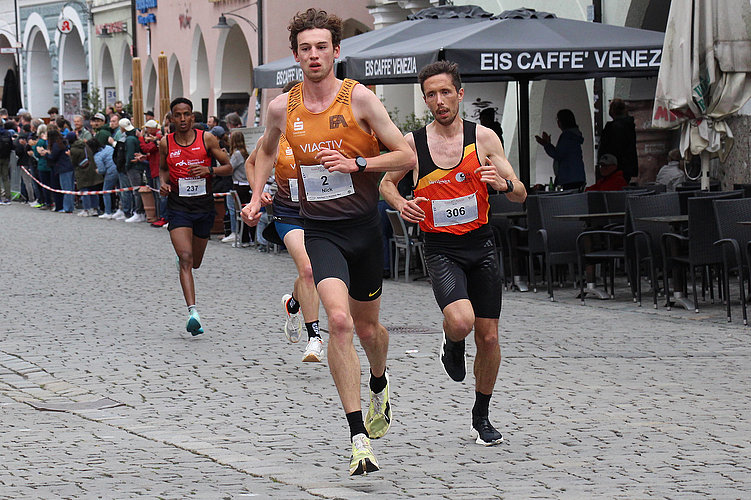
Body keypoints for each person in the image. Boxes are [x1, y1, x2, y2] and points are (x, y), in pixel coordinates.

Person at [241, 8, 415, 476]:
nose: (314, 55)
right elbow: (264, 152)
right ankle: (358, 438)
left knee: (368, 330)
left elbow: (405, 154)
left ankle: (379, 382)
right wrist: (256, 197)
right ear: (295, 55)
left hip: (364, 228)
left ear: (336, 51)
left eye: (322, 47)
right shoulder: (282, 108)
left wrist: (357, 165)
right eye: (305, 48)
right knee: (338, 321)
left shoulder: (359, 99)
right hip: (320, 230)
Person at [380, 60, 526, 448]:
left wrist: (503, 183)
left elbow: (520, 192)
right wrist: (401, 203)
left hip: (482, 245)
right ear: (425, 99)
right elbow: (386, 184)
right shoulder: (413, 145)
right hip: (442, 248)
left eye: (446, 92)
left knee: (489, 337)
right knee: (461, 322)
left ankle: (482, 416)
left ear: (459, 94)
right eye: (431, 94)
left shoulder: (484, 138)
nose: (439, 101)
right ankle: (451, 340)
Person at [160, 97, 232, 335]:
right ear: (171, 118)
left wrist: (208, 169)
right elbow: (162, 169)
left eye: (186, 114)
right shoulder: (165, 142)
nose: (182, 119)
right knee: (186, 258)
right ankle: (193, 313)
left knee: (195, 262)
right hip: (178, 207)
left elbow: (228, 167)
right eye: (177, 115)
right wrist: (163, 184)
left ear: (192, 116)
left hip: (204, 207)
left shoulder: (207, 139)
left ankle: (186, 261)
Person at [535, 109, 586, 191]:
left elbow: (558, 154)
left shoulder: (567, 136)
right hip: (578, 177)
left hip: (568, 177)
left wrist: (546, 144)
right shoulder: (575, 136)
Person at [222, 129, 252, 246]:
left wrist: (224, 157)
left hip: (238, 185)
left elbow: (230, 167)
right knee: (245, 212)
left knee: (237, 212)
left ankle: (242, 238)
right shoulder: (245, 153)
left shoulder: (237, 154)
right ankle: (248, 238)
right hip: (246, 185)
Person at [599, 98, 638, 183]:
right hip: (627, 167)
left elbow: (607, 148)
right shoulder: (629, 126)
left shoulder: (611, 128)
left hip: (611, 166)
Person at [69, 130, 102, 216]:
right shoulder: (84, 144)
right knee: (93, 190)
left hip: (82, 171)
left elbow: (73, 162)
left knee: (84, 190)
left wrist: (69, 155)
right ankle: (95, 208)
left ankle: (86, 209)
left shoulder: (73, 149)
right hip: (91, 168)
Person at [88, 138, 119, 218]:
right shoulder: (108, 148)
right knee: (120, 190)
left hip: (111, 172)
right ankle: (121, 210)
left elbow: (102, 170)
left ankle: (108, 212)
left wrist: (96, 170)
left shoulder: (97, 156)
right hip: (119, 168)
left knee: (106, 191)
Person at [33, 124, 54, 210]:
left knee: (45, 185)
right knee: (51, 184)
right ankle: (52, 201)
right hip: (50, 165)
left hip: (43, 165)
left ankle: (47, 202)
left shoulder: (41, 142)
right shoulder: (51, 140)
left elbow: (37, 154)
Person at [0, 122, 14, 204]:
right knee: (5, 177)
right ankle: (8, 197)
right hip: (6, 157)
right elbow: (11, 146)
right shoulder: (7, 133)